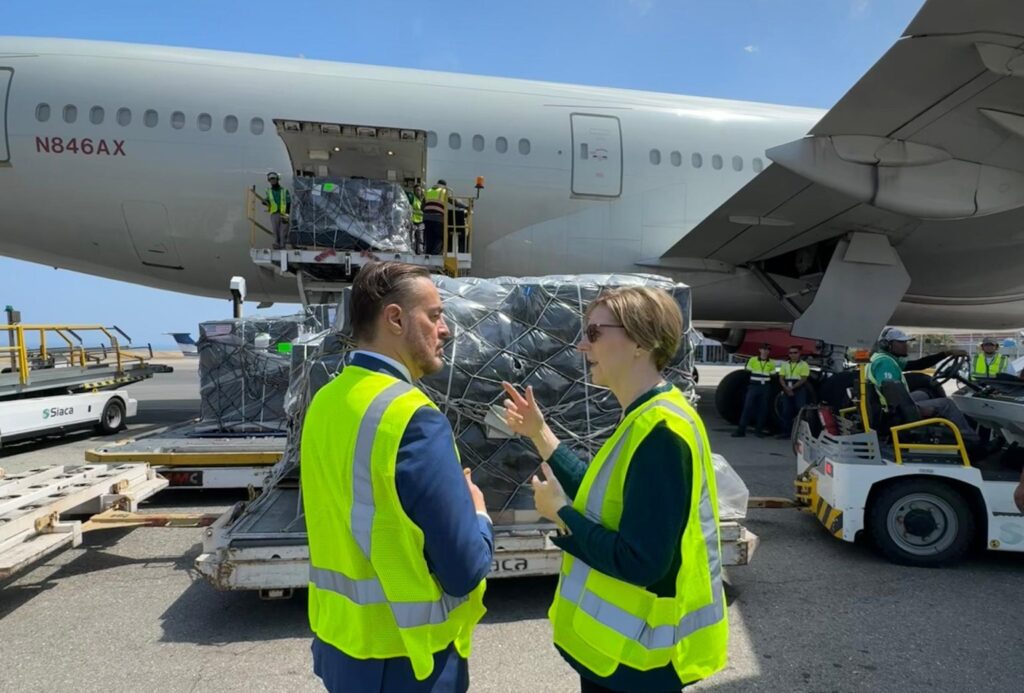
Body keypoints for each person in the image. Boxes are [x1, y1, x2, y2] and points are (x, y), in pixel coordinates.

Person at [501, 286, 728, 693]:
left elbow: (641, 562)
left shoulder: (660, 433)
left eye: (593, 332)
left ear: (641, 341)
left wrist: (561, 515)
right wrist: (540, 433)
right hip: (621, 657)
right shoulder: (648, 415)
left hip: (638, 662)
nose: (581, 345)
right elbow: (599, 490)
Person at [301, 261, 494, 693]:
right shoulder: (412, 417)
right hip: (409, 662)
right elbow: (464, 569)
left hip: (341, 646)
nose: (445, 330)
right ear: (395, 318)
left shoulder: (327, 400)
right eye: (435, 315)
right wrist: (478, 515)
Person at [867, 327, 977, 445]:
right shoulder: (886, 364)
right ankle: (971, 441)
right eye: (901, 342)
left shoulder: (884, 358)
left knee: (925, 393)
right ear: (886, 344)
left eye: (905, 342)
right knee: (947, 404)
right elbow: (892, 395)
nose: (906, 345)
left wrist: (945, 354)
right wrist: (918, 410)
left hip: (886, 406)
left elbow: (918, 364)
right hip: (892, 412)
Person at [733, 343, 776, 438]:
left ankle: (758, 431)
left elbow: (773, 375)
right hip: (754, 386)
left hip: (765, 387)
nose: (765, 351)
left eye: (767, 350)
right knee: (747, 408)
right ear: (760, 350)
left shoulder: (771, 363)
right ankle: (741, 431)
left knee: (762, 409)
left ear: (769, 351)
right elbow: (747, 373)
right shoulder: (753, 360)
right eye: (763, 349)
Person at [777, 346, 810, 438]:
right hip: (787, 386)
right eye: (791, 353)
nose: (793, 355)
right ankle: (786, 432)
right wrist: (786, 388)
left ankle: (801, 433)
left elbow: (803, 379)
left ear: (799, 353)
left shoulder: (804, 365)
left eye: (795, 352)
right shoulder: (785, 364)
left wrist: (792, 388)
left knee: (800, 410)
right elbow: (781, 377)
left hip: (798, 388)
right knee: (786, 410)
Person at [422, 179, 450, 255]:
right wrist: (465, 206)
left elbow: (422, 206)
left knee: (429, 237)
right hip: (437, 218)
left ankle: (428, 254)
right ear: (444, 186)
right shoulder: (444, 191)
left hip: (426, 218)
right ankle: (435, 253)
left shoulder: (429, 191)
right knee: (440, 236)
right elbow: (454, 201)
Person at [264, 171, 291, 249]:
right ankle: (277, 244)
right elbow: (269, 199)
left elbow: (289, 203)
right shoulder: (269, 191)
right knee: (276, 231)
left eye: (274, 179)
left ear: (277, 179)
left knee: (283, 232)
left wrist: (286, 215)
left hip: (284, 213)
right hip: (274, 214)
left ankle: (282, 246)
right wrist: (265, 201)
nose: (272, 181)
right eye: (271, 180)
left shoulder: (284, 190)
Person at [408, 183, 425, 254]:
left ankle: (419, 252)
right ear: (414, 191)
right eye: (416, 190)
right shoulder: (413, 198)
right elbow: (410, 209)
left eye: (419, 190)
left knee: (420, 238)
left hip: (421, 221)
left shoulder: (423, 199)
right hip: (413, 221)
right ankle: (412, 252)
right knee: (412, 238)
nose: (418, 191)